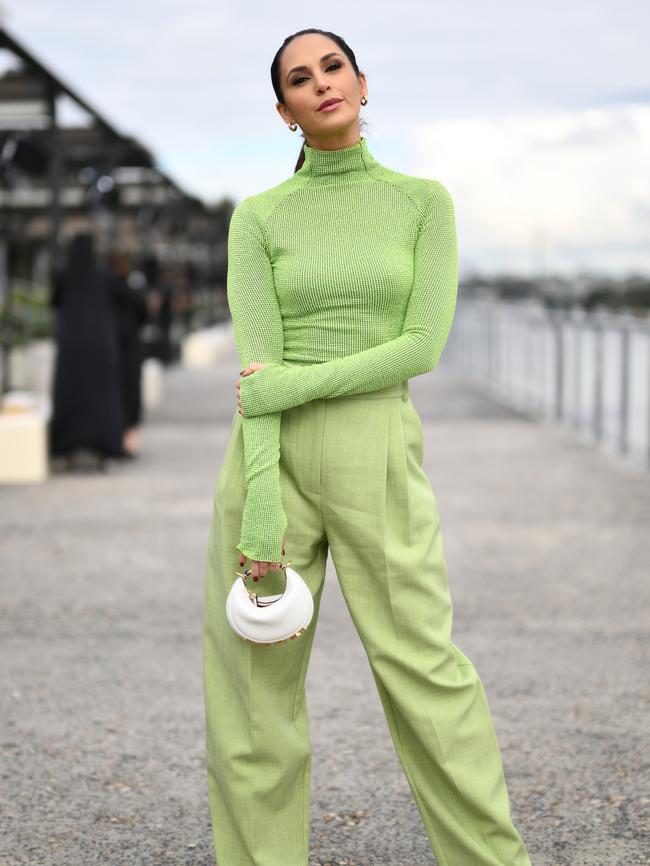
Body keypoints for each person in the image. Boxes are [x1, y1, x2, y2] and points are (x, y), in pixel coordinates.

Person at [203, 28, 534, 866]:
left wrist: (296, 385)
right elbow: (259, 364)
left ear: (360, 81)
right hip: (266, 459)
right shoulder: (259, 218)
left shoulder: (422, 202)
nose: (321, 84)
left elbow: (421, 345)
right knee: (252, 696)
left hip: (375, 443)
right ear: (283, 112)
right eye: (299, 80)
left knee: (425, 668)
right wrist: (263, 508)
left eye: (332, 67)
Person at [49, 232, 126, 467]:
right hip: (100, 346)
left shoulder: (64, 274)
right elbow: (122, 298)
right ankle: (106, 450)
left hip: (71, 346)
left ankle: (66, 449)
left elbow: (54, 302)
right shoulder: (104, 273)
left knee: (70, 395)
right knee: (102, 397)